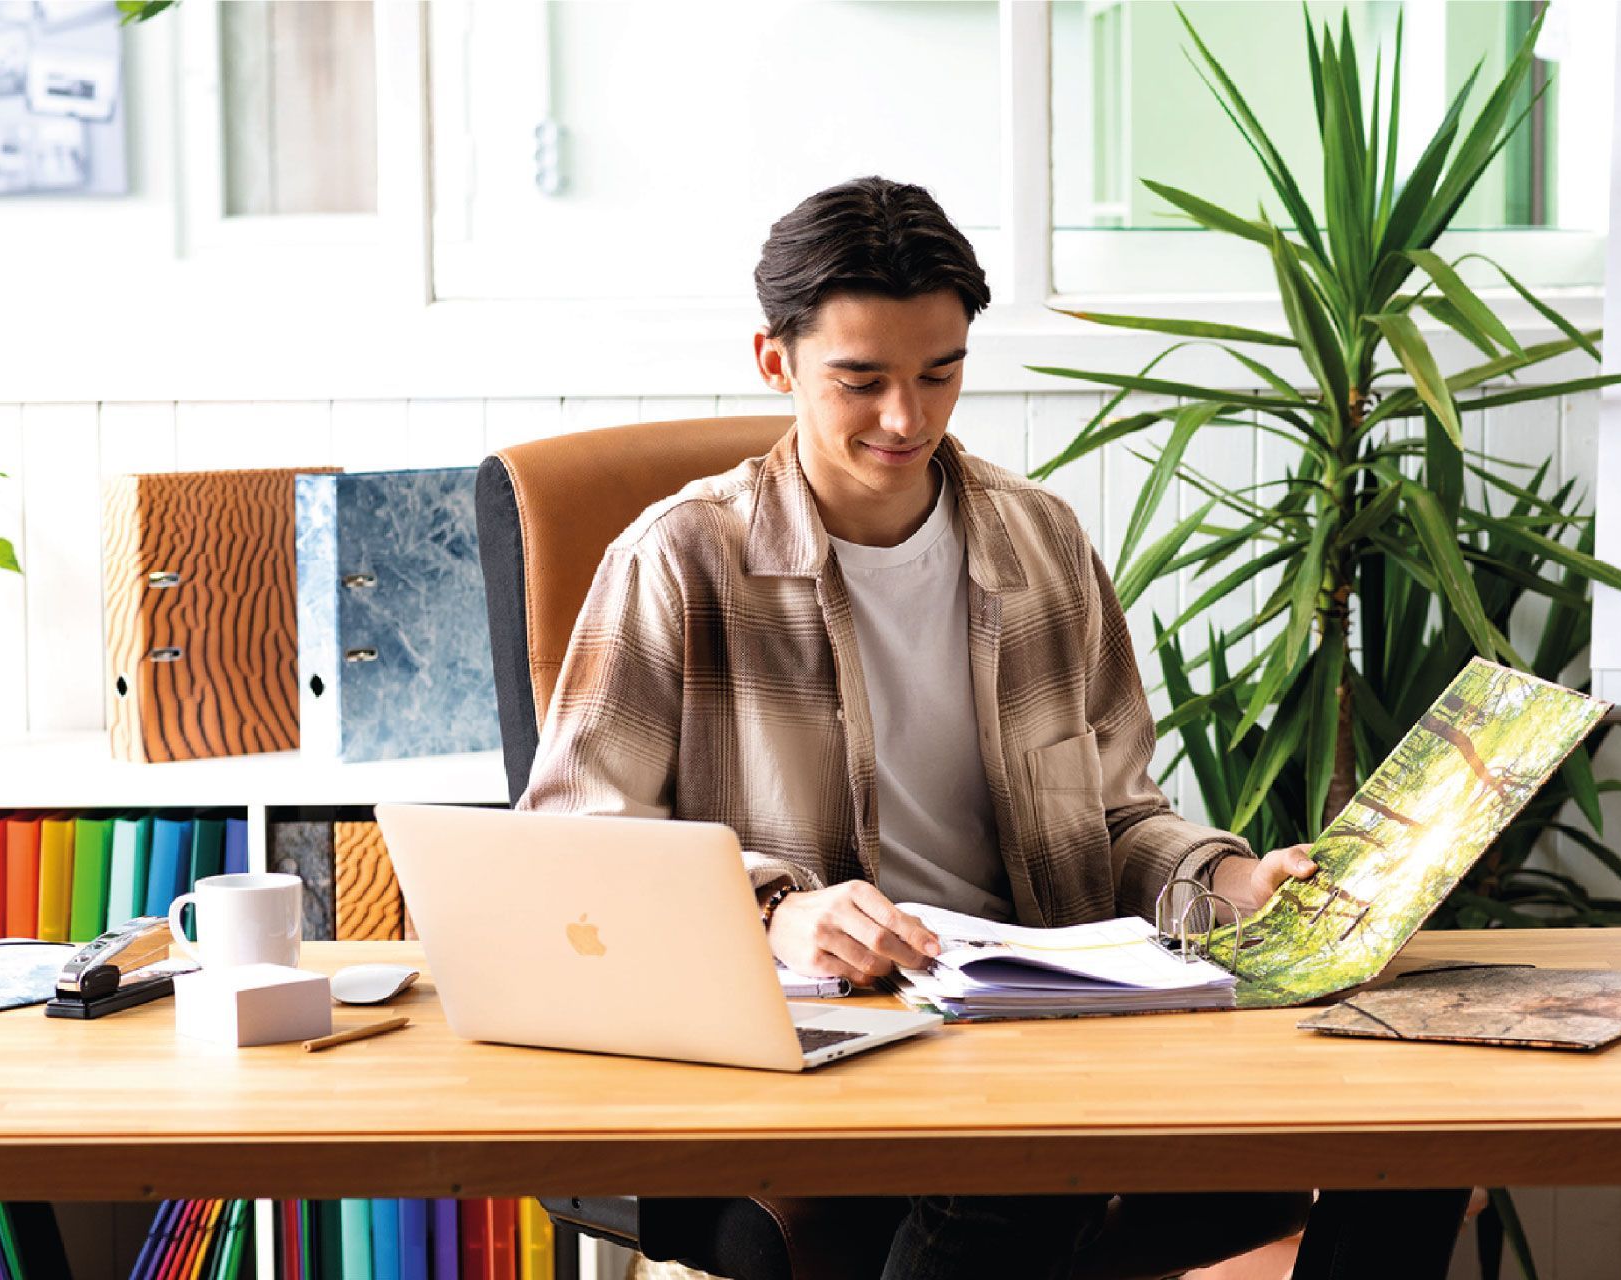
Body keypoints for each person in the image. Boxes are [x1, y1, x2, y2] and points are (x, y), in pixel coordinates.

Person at [519, 175, 1468, 1279]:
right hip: (822, 1041)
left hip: (1036, 1017)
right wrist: (776, 910)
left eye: (940, 373)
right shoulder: (677, 561)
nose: (905, 418)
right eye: (860, 381)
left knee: (1428, 1131)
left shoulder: (1042, 543)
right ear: (775, 362)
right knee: (1016, 1167)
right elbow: (571, 855)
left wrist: (1230, 881)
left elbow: (1116, 815)